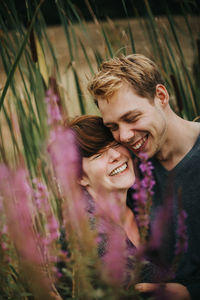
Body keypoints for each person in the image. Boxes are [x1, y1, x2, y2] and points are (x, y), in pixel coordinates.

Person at [87, 54, 200, 300]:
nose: (124, 136)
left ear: (161, 96)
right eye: (113, 126)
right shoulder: (127, 169)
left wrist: (191, 293)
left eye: (131, 118)